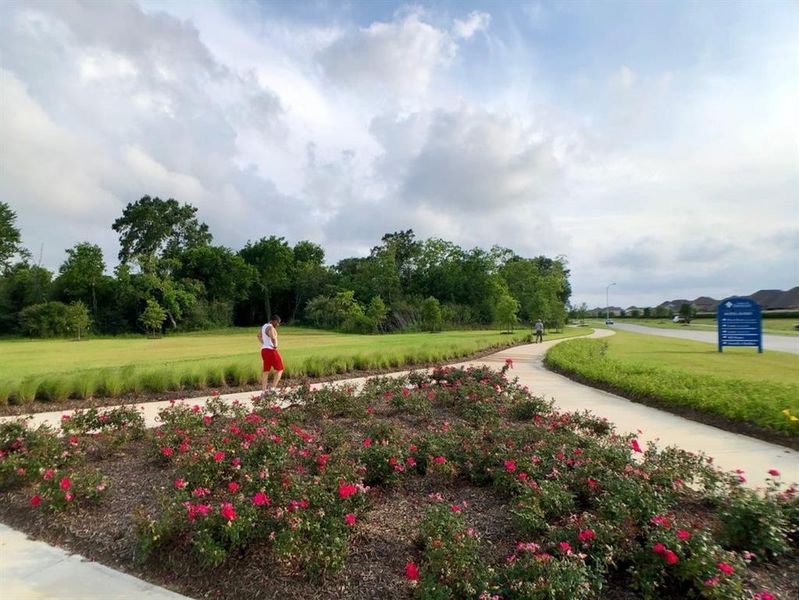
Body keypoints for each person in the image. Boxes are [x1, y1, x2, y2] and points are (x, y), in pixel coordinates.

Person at [257, 315, 284, 396]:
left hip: (264, 350)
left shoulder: (264, 326)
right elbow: (273, 337)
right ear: (274, 321)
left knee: (266, 371)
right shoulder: (271, 327)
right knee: (280, 369)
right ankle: (272, 389)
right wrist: (275, 346)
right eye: (278, 322)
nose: (278, 324)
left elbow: (258, 335)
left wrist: (264, 343)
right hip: (271, 350)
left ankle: (263, 391)